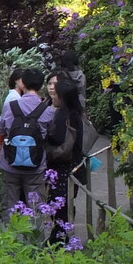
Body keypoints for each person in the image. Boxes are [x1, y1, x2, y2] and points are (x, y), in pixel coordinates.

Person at [0, 67, 51, 215]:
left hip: (10, 163)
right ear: (41, 86)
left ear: (23, 84)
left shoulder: (10, 106)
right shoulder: (46, 110)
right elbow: (50, 137)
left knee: (10, 206)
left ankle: (10, 237)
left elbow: (1, 130)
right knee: (36, 207)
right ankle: (35, 237)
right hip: (36, 165)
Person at [44, 71, 90, 245]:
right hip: (74, 164)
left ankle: (60, 238)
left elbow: (58, 138)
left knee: (59, 202)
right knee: (65, 201)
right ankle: (62, 235)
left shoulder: (65, 114)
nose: (52, 93)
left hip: (63, 166)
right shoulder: (76, 112)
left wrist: (45, 134)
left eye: (56, 92)